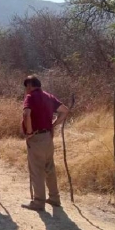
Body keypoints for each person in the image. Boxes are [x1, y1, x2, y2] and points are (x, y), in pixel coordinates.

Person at [21, 75, 69, 211]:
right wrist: (53, 125)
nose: (26, 90)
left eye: (26, 87)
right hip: (48, 136)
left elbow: (26, 114)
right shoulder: (49, 96)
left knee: (36, 170)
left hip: (36, 138)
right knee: (49, 168)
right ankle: (54, 198)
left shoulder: (30, 97)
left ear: (29, 85)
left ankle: (38, 202)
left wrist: (29, 132)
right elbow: (65, 111)